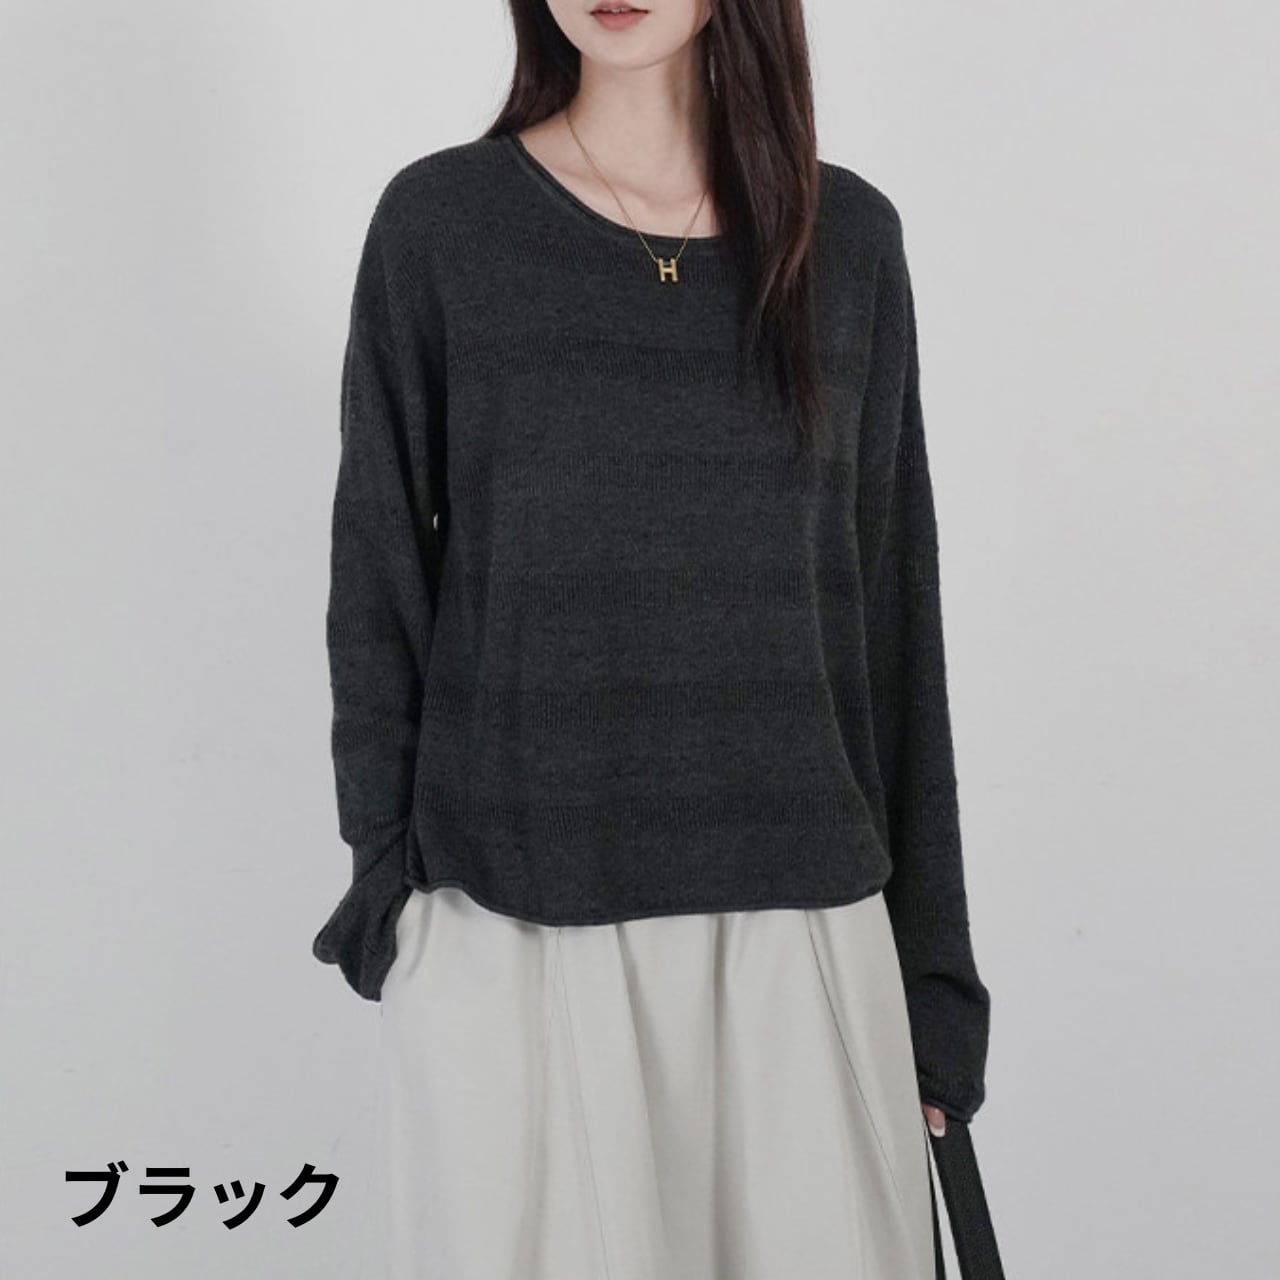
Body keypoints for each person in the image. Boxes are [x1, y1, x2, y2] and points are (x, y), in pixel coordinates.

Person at [311, 1, 992, 1276]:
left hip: (799, 940)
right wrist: (388, 896)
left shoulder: (847, 240)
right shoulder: (443, 225)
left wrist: (933, 987)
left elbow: (893, 615)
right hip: (516, 926)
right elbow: (379, 578)